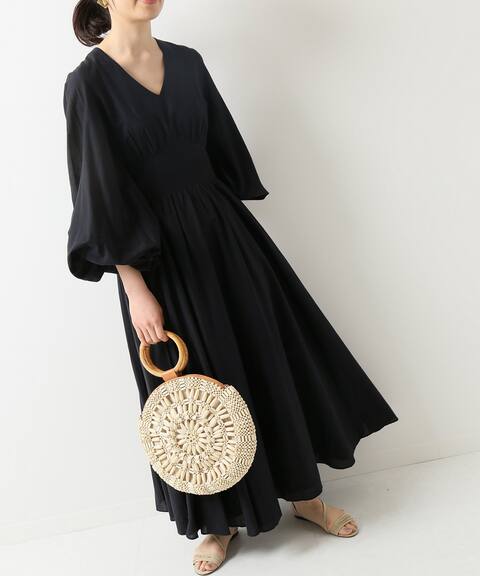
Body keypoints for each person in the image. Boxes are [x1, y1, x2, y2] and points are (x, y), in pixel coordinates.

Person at [64, 1, 399, 574]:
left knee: (268, 357)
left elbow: (221, 154)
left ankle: (304, 495)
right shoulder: (87, 85)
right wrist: (135, 287)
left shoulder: (188, 63)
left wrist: (227, 233)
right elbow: (97, 191)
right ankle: (217, 525)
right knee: (199, 389)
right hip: (158, 259)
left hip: (225, 236)